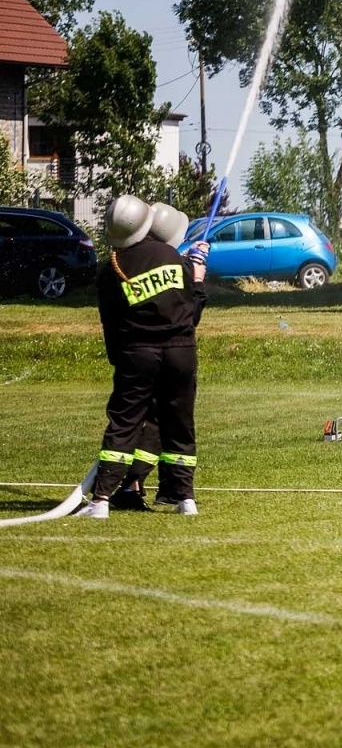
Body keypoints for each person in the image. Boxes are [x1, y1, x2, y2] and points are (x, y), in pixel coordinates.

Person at [74, 196, 208, 519]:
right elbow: (191, 314)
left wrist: (118, 359)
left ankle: (101, 500)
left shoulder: (112, 268)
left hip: (137, 354)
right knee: (179, 424)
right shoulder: (173, 257)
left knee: (124, 424)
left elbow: (111, 323)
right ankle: (185, 499)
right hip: (180, 352)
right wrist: (198, 280)